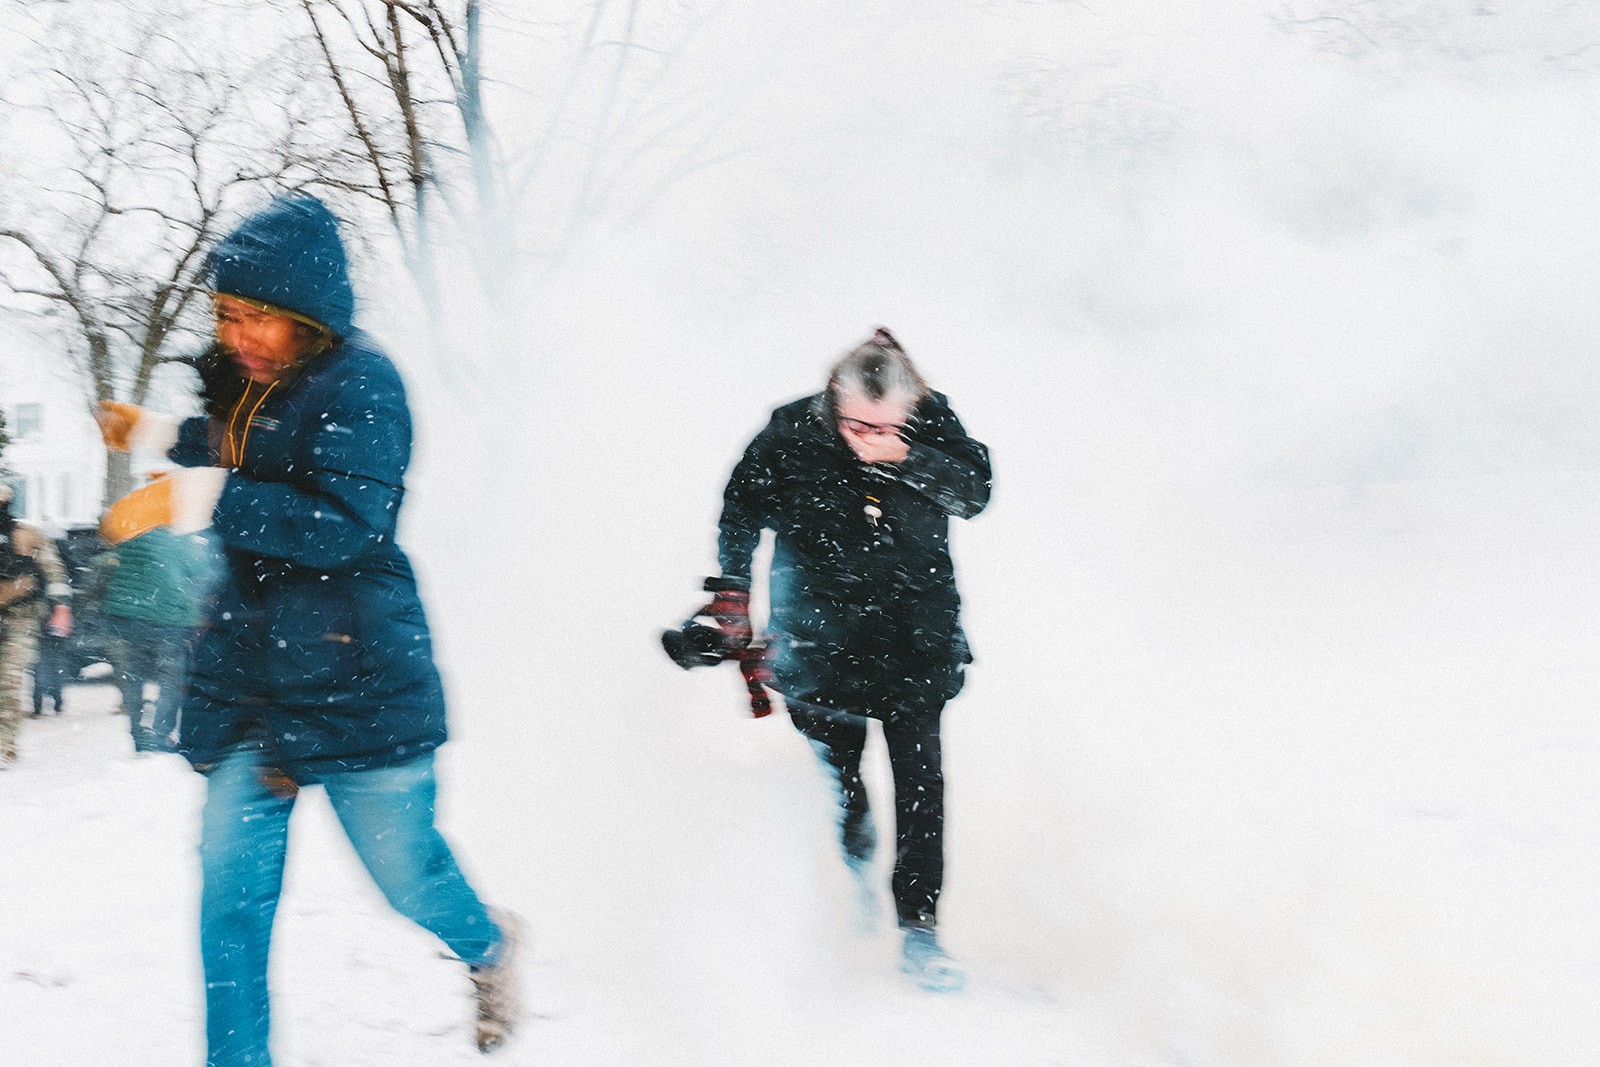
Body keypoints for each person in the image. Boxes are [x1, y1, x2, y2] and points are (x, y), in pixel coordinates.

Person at [95, 192, 521, 1061]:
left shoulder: (365, 382)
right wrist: (159, 435)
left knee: (408, 877)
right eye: (226, 314)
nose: (240, 334)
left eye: (261, 318)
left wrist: (201, 497)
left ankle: (489, 947)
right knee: (230, 905)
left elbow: (345, 523)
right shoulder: (255, 387)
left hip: (356, 673)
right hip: (250, 678)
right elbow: (238, 445)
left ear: (311, 317)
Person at [694, 327, 991, 992]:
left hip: (917, 637)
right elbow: (739, 508)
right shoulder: (791, 432)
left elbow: (975, 493)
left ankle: (920, 929)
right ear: (834, 396)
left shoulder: (931, 420)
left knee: (922, 786)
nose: (871, 438)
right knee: (842, 781)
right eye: (859, 424)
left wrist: (910, 456)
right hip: (819, 641)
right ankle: (856, 880)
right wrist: (733, 590)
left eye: (890, 425)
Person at [89, 519, 216, 752]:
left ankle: (139, 734)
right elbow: (203, 572)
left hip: (128, 617)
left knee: (133, 677)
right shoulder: (182, 539)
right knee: (171, 679)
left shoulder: (129, 537)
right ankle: (159, 735)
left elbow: (106, 567)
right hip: (169, 620)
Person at [0, 485, 73, 763]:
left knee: (8, 682)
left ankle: (5, 744)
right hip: (21, 616)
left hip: (21, 618)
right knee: (9, 682)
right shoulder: (27, 533)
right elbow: (55, 570)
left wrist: (62, 607)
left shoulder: (26, 534)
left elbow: (54, 571)